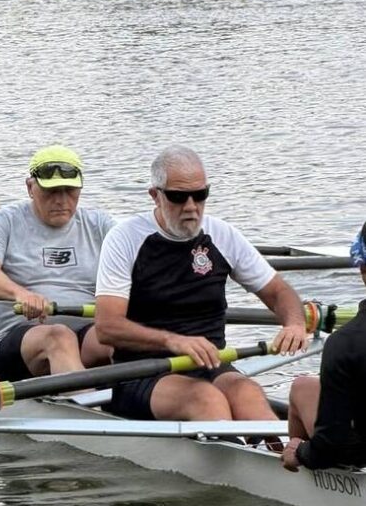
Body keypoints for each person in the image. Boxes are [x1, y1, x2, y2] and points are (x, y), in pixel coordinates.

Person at [94, 144, 308, 424]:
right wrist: (173, 341)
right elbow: (107, 327)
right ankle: (234, 456)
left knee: (249, 393)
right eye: (178, 197)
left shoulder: (222, 235)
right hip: (142, 371)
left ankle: (278, 456)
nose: (191, 207)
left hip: (210, 363)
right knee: (206, 399)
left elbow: (279, 291)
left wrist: (294, 323)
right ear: (155, 196)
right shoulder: (125, 239)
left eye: (200, 195)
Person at [0, 144, 114, 382]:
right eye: (51, 191)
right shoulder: (2, 222)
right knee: (59, 336)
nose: (61, 200)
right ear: (30, 187)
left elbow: (141, 266)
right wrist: (20, 294)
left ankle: (137, 403)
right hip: (17, 342)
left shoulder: (99, 224)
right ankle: (89, 412)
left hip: (85, 335)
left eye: (69, 191)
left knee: (120, 339)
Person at [282, 229, 366, 471]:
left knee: (301, 387)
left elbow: (331, 447)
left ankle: (290, 467)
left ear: (362, 269)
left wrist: (301, 451)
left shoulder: (346, 343)